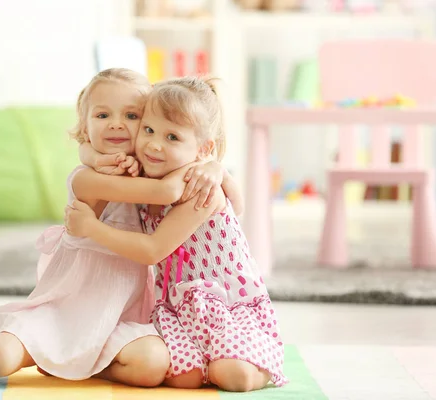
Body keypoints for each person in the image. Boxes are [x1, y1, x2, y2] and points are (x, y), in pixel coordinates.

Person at [0, 68, 227, 387]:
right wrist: (206, 164)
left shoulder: (152, 170)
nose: (116, 123)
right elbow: (166, 192)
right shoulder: (87, 178)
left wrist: (213, 166)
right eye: (103, 115)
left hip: (121, 317)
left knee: (152, 366)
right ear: (85, 129)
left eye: (131, 115)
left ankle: (76, 365)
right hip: (62, 312)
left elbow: (228, 200)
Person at [65, 76, 288, 392]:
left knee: (233, 376)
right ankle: (90, 365)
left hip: (229, 306)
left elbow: (153, 249)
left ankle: (257, 359)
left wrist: (91, 228)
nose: (155, 144)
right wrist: (97, 158)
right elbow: (85, 148)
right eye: (148, 130)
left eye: (172, 137)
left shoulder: (199, 188)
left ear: (203, 149)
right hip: (180, 308)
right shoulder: (146, 175)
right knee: (184, 379)